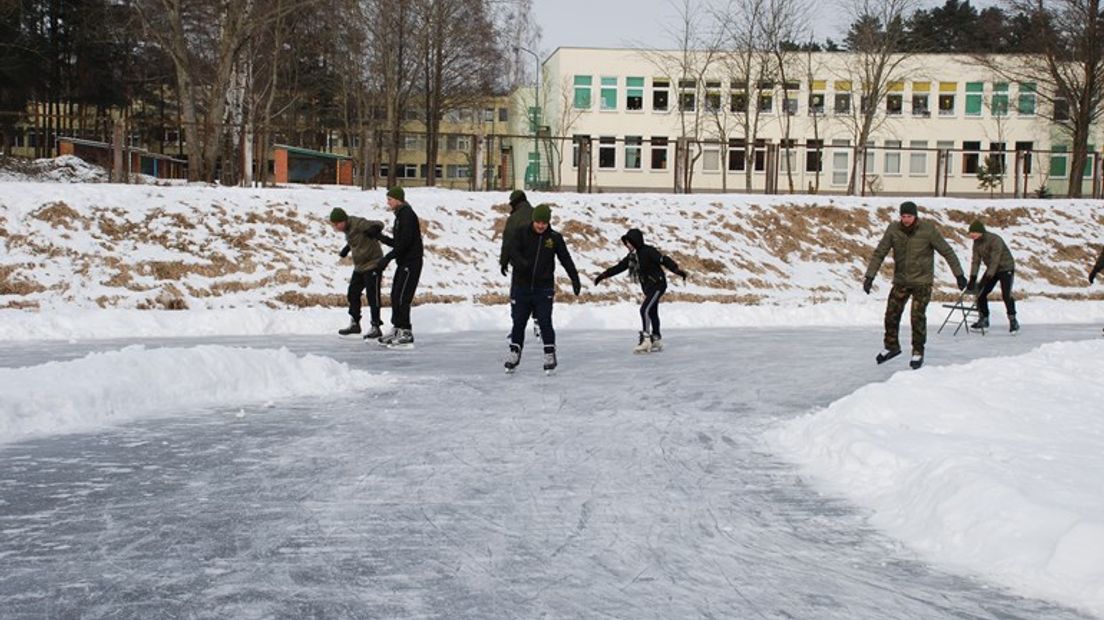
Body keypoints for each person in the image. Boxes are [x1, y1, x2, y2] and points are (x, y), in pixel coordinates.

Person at [864, 201, 967, 370]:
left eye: (909, 216)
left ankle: (918, 351)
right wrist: (869, 276)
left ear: (915, 216)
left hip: (922, 282)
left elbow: (947, 251)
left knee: (917, 317)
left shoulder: (927, 230)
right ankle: (892, 346)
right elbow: (880, 252)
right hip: (901, 280)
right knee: (891, 314)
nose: (906, 220)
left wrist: (959, 275)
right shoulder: (893, 229)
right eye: (903, 216)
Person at [504, 203, 582, 373]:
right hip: (522, 286)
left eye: (544, 223)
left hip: (543, 288)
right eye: (538, 222)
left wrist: (574, 278)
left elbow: (565, 259)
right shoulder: (521, 233)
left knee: (545, 321)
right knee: (518, 321)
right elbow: (512, 252)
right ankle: (514, 352)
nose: (540, 226)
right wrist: (522, 264)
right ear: (533, 220)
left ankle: (549, 352)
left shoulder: (554, 238)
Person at [593, 228, 688, 353]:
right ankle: (656, 338)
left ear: (635, 241)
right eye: (626, 243)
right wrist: (603, 275)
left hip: (658, 284)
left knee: (645, 309)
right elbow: (619, 267)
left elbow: (663, 259)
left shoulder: (648, 251)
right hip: (648, 287)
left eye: (629, 242)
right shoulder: (632, 257)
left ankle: (646, 339)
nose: (627, 245)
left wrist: (676, 270)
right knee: (652, 311)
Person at [375, 187, 423, 348]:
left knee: (403, 297)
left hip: (411, 262)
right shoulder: (400, 216)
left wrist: (387, 258)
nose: (388, 202)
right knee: (395, 294)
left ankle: (406, 331)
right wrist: (380, 237)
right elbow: (398, 242)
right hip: (403, 262)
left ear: (398, 199)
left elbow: (405, 243)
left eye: (390, 199)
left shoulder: (407, 215)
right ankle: (397, 328)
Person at [329, 207, 386, 339]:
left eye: (337, 224)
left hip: (373, 263)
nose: (335, 227)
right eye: (334, 225)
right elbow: (355, 239)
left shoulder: (358, 223)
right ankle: (355, 323)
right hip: (360, 266)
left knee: (373, 295)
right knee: (353, 293)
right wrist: (346, 249)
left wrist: (375, 229)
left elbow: (379, 224)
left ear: (343, 220)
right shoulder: (347, 229)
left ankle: (376, 326)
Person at [966, 219, 1018, 332]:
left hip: (1005, 268)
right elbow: (976, 261)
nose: (971, 236)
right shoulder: (976, 242)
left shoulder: (995, 240)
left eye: (972, 233)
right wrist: (972, 278)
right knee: (980, 292)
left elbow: (996, 260)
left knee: (1006, 295)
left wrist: (988, 277)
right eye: (970, 234)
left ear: (980, 232)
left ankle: (1013, 320)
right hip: (992, 269)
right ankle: (984, 319)